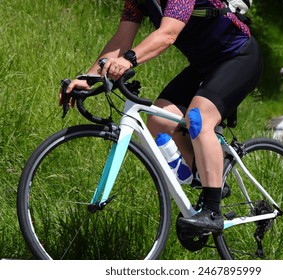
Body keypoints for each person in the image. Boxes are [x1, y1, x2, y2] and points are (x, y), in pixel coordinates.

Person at [61, 0, 263, 233]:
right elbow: (120, 41)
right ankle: (207, 180)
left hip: (238, 57)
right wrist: (87, 78)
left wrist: (128, 60)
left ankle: (212, 211)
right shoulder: (136, 2)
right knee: (159, 121)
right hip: (203, 66)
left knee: (198, 118)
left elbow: (168, 34)